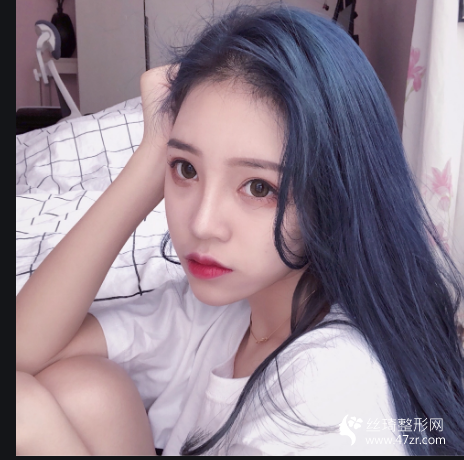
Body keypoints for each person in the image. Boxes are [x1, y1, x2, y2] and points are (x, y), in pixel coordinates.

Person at [16, 5, 464, 456]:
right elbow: (24, 349)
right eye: (186, 169)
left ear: (334, 193)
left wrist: (38, 431)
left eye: (258, 187)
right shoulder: (230, 317)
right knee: (83, 389)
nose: (201, 223)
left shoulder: (328, 392)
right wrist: (152, 158)